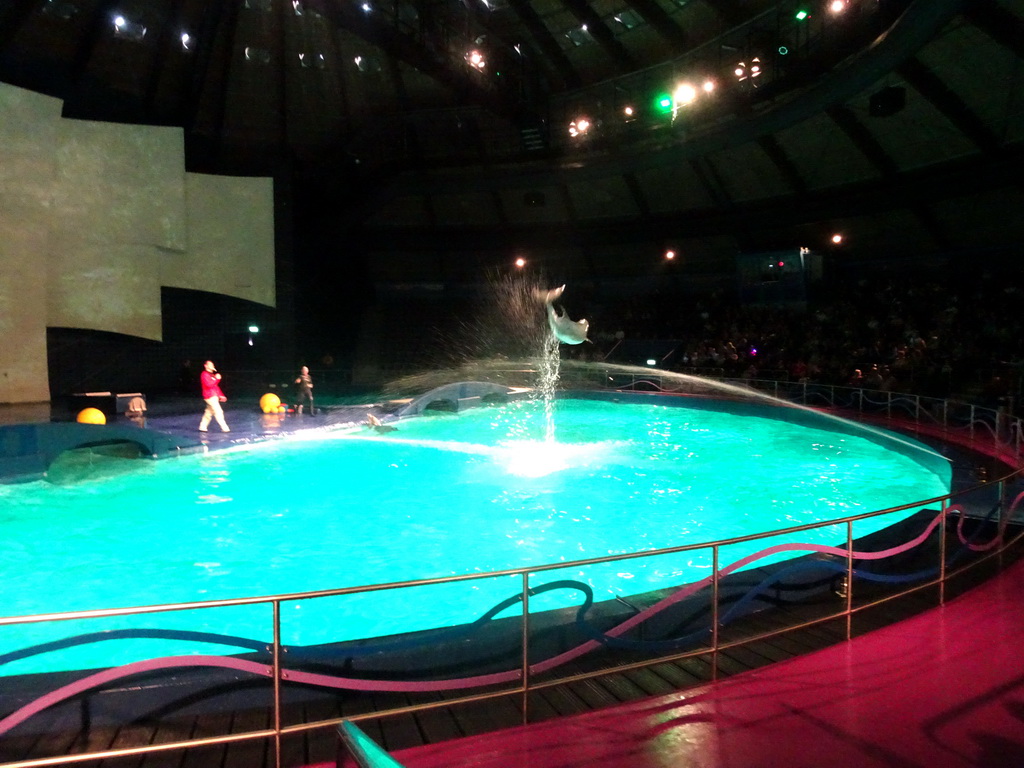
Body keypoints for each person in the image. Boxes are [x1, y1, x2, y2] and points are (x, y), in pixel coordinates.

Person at [199, 360, 230, 432]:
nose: (212, 366)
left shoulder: (211, 375)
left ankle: (202, 426)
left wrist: (221, 395)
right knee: (218, 411)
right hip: (209, 396)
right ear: (205, 366)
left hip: (214, 396)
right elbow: (208, 385)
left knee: (208, 412)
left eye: (212, 365)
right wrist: (217, 378)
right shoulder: (204, 374)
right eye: (210, 364)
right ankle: (225, 428)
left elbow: (215, 387)